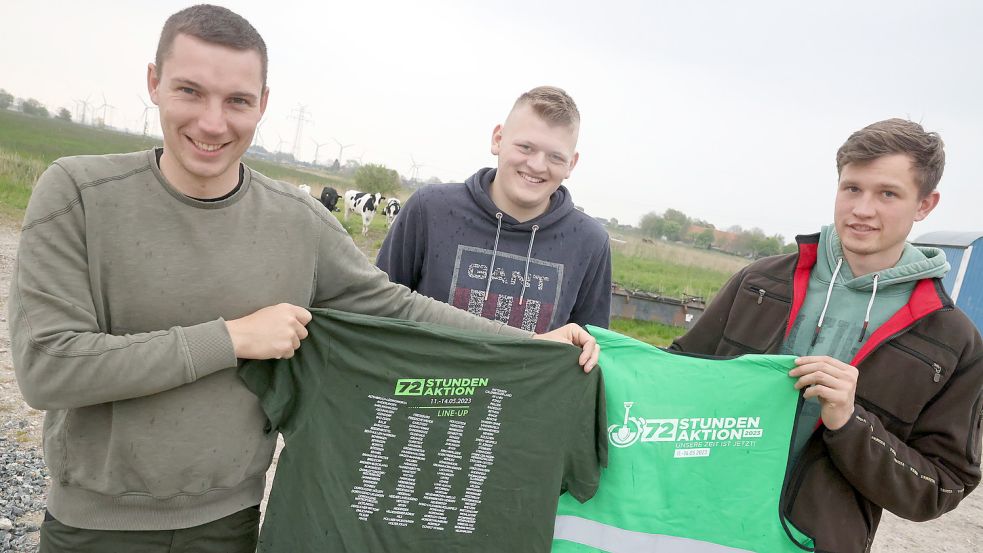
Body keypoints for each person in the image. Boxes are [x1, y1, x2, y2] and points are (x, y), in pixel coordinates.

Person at [7, 5, 598, 552]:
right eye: (190, 91)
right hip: (94, 529)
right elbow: (49, 368)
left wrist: (528, 345)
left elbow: (399, 308)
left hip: (231, 525)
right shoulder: (79, 194)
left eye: (237, 100)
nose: (213, 122)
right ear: (153, 82)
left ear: (263, 103)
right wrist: (233, 339)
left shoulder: (298, 222)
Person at [671, 118, 983, 551]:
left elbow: (941, 488)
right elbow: (670, 381)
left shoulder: (952, 340)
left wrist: (849, 423)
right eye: (852, 188)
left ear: (925, 204)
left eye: (887, 194)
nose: (862, 209)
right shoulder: (760, 284)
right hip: (693, 524)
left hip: (817, 542)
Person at [376, 86, 612, 333]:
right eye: (525, 147)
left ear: (571, 164)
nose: (537, 165)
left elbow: (586, 347)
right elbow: (380, 305)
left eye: (555, 157)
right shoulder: (430, 208)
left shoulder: (590, 242)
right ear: (498, 139)